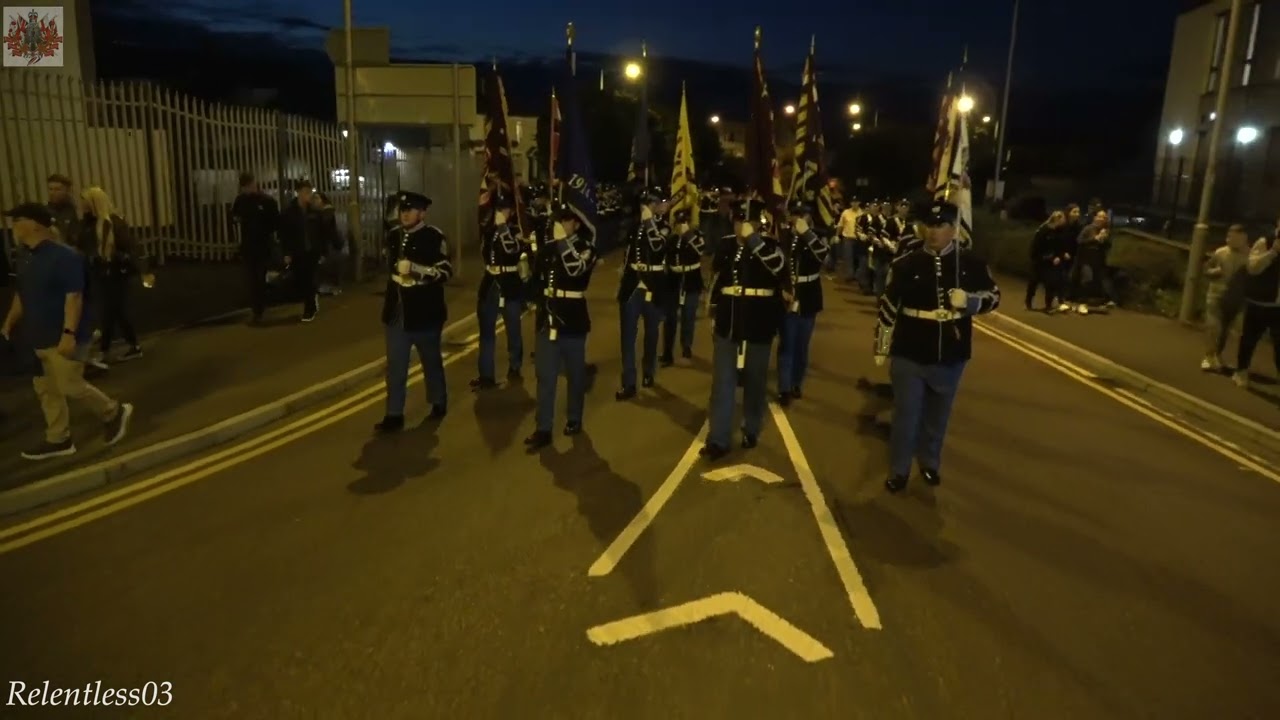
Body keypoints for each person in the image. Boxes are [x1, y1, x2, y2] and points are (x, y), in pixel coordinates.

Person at [874, 200, 1000, 493]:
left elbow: (994, 296)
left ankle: (930, 462)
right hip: (910, 350)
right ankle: (899, 469)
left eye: (941, 225)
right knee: (907, 414)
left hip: (951, 353)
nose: (933, 232)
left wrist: (971, 302)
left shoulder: (971, 264)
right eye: (929, 225)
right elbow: (889, 306)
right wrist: (881, 345)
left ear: (954, 229)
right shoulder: (905, 264)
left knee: (937, 415)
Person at [1, 203, 133, 460]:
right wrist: (9, 323)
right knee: (46, 390)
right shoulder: (25, 256)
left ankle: (113, 411)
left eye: (18, 220)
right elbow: (22, 293)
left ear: (35, 224)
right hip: (36, 336)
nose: (13, 225)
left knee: (70, 385)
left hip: (62, 336)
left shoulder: (66, 257)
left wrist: (69, 334)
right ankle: (58, 438)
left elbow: (74, 297)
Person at [701, 201, 789, 461]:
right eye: (738, 220)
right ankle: (718, 439)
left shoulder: (770, 246)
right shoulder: (727, 245)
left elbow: (779, 269)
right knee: (722, 383)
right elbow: (716, 280)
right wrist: (713, 311)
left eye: (746, 220)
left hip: (759, 319)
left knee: (755, 379)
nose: (740, 225)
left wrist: (754, 241)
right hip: (729, 318)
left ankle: (751, 427)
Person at [374, 192, 452, 433]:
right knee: (396, 366)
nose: (405, 213)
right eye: (402, 210)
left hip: (425, 311)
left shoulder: (434, 237)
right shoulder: (394, 236)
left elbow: (446, 271)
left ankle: (438, 400)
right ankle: (394, 414)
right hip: (397, 311)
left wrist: (418, 270)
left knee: (430, 362)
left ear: (422, 213)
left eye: (410, 209)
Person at [525, 203, 594, 450]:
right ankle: (543, 428)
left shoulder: (586, 249)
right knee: (545, 377)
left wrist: (563, 242)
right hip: (548, 320)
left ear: (576, 223)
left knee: (575, 376)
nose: (560, 225)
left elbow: (576, 270)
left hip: (573, 320)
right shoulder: (547, 250)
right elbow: (536, 281)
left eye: (566, 220)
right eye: (559, 220)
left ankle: (574, 418)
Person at [79, 186, 154, 363]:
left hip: (115, 274)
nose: (81, 204)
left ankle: (107, 349)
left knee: (110, 312)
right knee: (115, 312)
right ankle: (128, 346)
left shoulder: (113, 224)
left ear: (93, 203)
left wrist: (143, 271)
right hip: (98, 273)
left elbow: (131, 249)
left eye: (84, 200)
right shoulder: (87, 224)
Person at [615, 187, 669, 400]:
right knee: (627, 337)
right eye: (645, 203)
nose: (647, 207)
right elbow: (628, 252)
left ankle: (648, 371)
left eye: (651, 203)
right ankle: (629, 382)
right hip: (632, 285)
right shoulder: (634, 226)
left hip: (653, 285)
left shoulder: (664, 227)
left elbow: (657, 246)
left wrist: (650, 222)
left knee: (652, 333)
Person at [471, 194, 526, 389]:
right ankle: (486, 375)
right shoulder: (489, 231)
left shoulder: (516, 230)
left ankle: (515, 365)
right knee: (486, 333)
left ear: (510, 212)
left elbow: (512, 250)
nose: (499, 214)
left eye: (503, 210)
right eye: (497, 210)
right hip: (490, 284)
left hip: (509, 284)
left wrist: (503, 228)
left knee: (513, 330)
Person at [777, 200, 828, 406]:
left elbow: (822, 255)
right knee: (787, 344)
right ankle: (784, 388)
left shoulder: (817, 237)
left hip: (808, 297)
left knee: (801, 345)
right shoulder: (784, 237)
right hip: (788, 296)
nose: (799, 218)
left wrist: (806, 233)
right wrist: (783, 289)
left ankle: (797, 381)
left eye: (803, 214)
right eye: (795, 214)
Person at [229, 172, 280, 324]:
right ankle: (257, 309)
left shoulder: (265, 201)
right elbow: (235, 216)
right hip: (249, 246)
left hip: (262, 245)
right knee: (252, 279)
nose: (247, 189)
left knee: (259, 277)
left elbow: (274, 221)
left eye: (249, 186)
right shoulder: (241, 200)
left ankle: (260, 308)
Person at [1234, 223, 1280, 388]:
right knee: (1249, 340)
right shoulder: (1265, 241)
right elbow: (1252, 267)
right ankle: (1241, 371)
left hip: (1278, 306)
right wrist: (1273, 253)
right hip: (1259, 302)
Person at [1201, 224, 1251, 371]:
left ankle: (1217, 356)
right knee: (1213, 327)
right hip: (1216, 295)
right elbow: (1206, 269)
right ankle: (1208, 357)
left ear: (1244, 238)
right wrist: (1214, 271)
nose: (1230, 240)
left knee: (1226, 330)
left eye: (1234, 237)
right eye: (1229, 237)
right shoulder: (1221, 252)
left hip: (1236, 299)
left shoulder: (1249, 256)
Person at [661, 207, 705, 364]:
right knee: (670, 318)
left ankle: (686, 346)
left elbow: (701, 249)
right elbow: (663, 256)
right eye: (679, 222)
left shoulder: (697, 236)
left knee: (688, 316)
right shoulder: (671, 239)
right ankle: (667, 352)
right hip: (674, 280)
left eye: (684, 222)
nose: (681, 225)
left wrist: (688, 235)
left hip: (691, 280)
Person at [279, 179, 320, 322]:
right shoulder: (289, 212)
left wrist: (321, 249)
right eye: (305, 193)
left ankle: (309, 309)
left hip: (312, 251)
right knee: (302, 280)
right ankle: (312, 301)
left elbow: (321, 231)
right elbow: (284, 234)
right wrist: (287, 253)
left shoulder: (313, 211)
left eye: (309, 192)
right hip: (298, 251)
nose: (307, 196)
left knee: (310, 279)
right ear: (298, 193)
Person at [1026, 210, 1067, 312]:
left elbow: (1058, 246)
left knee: (1050, 283)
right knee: (1033, 282)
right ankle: (1028, 302)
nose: (1064, 222)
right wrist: (1049, 257)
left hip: (1049, 263)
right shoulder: (1043, 231)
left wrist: (1060, 256)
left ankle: (1048, 305)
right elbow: (1037, 248)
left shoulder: (1058, 231)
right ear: (1057, 219)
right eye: (1062, 219)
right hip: (1039, 261)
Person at [46, 173, 80, 243]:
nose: (52, 193)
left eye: (57, 189)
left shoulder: (74, 211)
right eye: (50, 189)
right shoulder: (44, 212)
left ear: (67, 191)